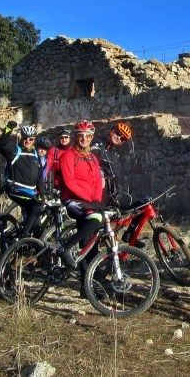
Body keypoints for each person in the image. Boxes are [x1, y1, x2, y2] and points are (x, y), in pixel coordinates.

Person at [58, 120, 107, 299]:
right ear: (75, 137)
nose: (84, 139)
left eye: (87, 136)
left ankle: (87, 288)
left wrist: (97, 201)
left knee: (90, 244)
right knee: (96, 220)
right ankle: (66, 247)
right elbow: (69, 182)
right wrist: (89, 201)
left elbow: (97, 182)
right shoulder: (68, 156)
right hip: (72, 199)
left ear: (91, 138)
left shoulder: (92, 157)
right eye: (80, 136)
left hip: (89, 202)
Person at [0, 121, 43, 239]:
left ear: (34, 140)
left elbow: (39, 177)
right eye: (25, 138)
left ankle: (27, 247)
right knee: (37, 207)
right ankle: (22, 237)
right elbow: (1, 145)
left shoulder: (35, 155)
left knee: (37, 225)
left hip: (31, 193)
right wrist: (8, 129)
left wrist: (42, 194)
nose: (28, 141)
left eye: (31, 139)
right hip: (16, 189)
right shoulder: (15, 151)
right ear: (21, 138)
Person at [91, 122, 133, 204]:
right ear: (112, 130)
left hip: (110, 196)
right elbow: (90, 167)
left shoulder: (115, 154)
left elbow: (116, 174)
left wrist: (118, 188)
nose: (118, 138)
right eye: (118, 133)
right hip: (97, 192)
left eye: (122, 138)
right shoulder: (97, 145)